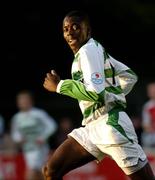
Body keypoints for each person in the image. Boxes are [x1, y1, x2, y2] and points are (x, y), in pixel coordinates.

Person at [42, 10, 154, 180]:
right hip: (93, 128)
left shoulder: (88, 50)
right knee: (51, 170)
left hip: (111, 125)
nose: (70, 32)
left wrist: (60, 85)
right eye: (65, 29)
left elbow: (95, 93)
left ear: (88, 30)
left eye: (75, 27)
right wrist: (112, 95)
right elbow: (130, 77)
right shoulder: (95, 52)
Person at [10, 90, 58, 180]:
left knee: (36, 170)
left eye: (25, 100)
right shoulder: (17, 117)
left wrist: (43, 137)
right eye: (21, 100)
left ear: (30, 101)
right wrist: (19, 139)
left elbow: (52, 125)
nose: (23, 102)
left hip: (40, 147)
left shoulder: (39, 113)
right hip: (27, 148)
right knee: (37, 170)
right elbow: (15, 133)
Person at [141, 82, 155, 147]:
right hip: (151, 135)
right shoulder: (147, 106)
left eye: (153, 90)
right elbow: (145, 125)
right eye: (150, 90)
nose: (151, 92)